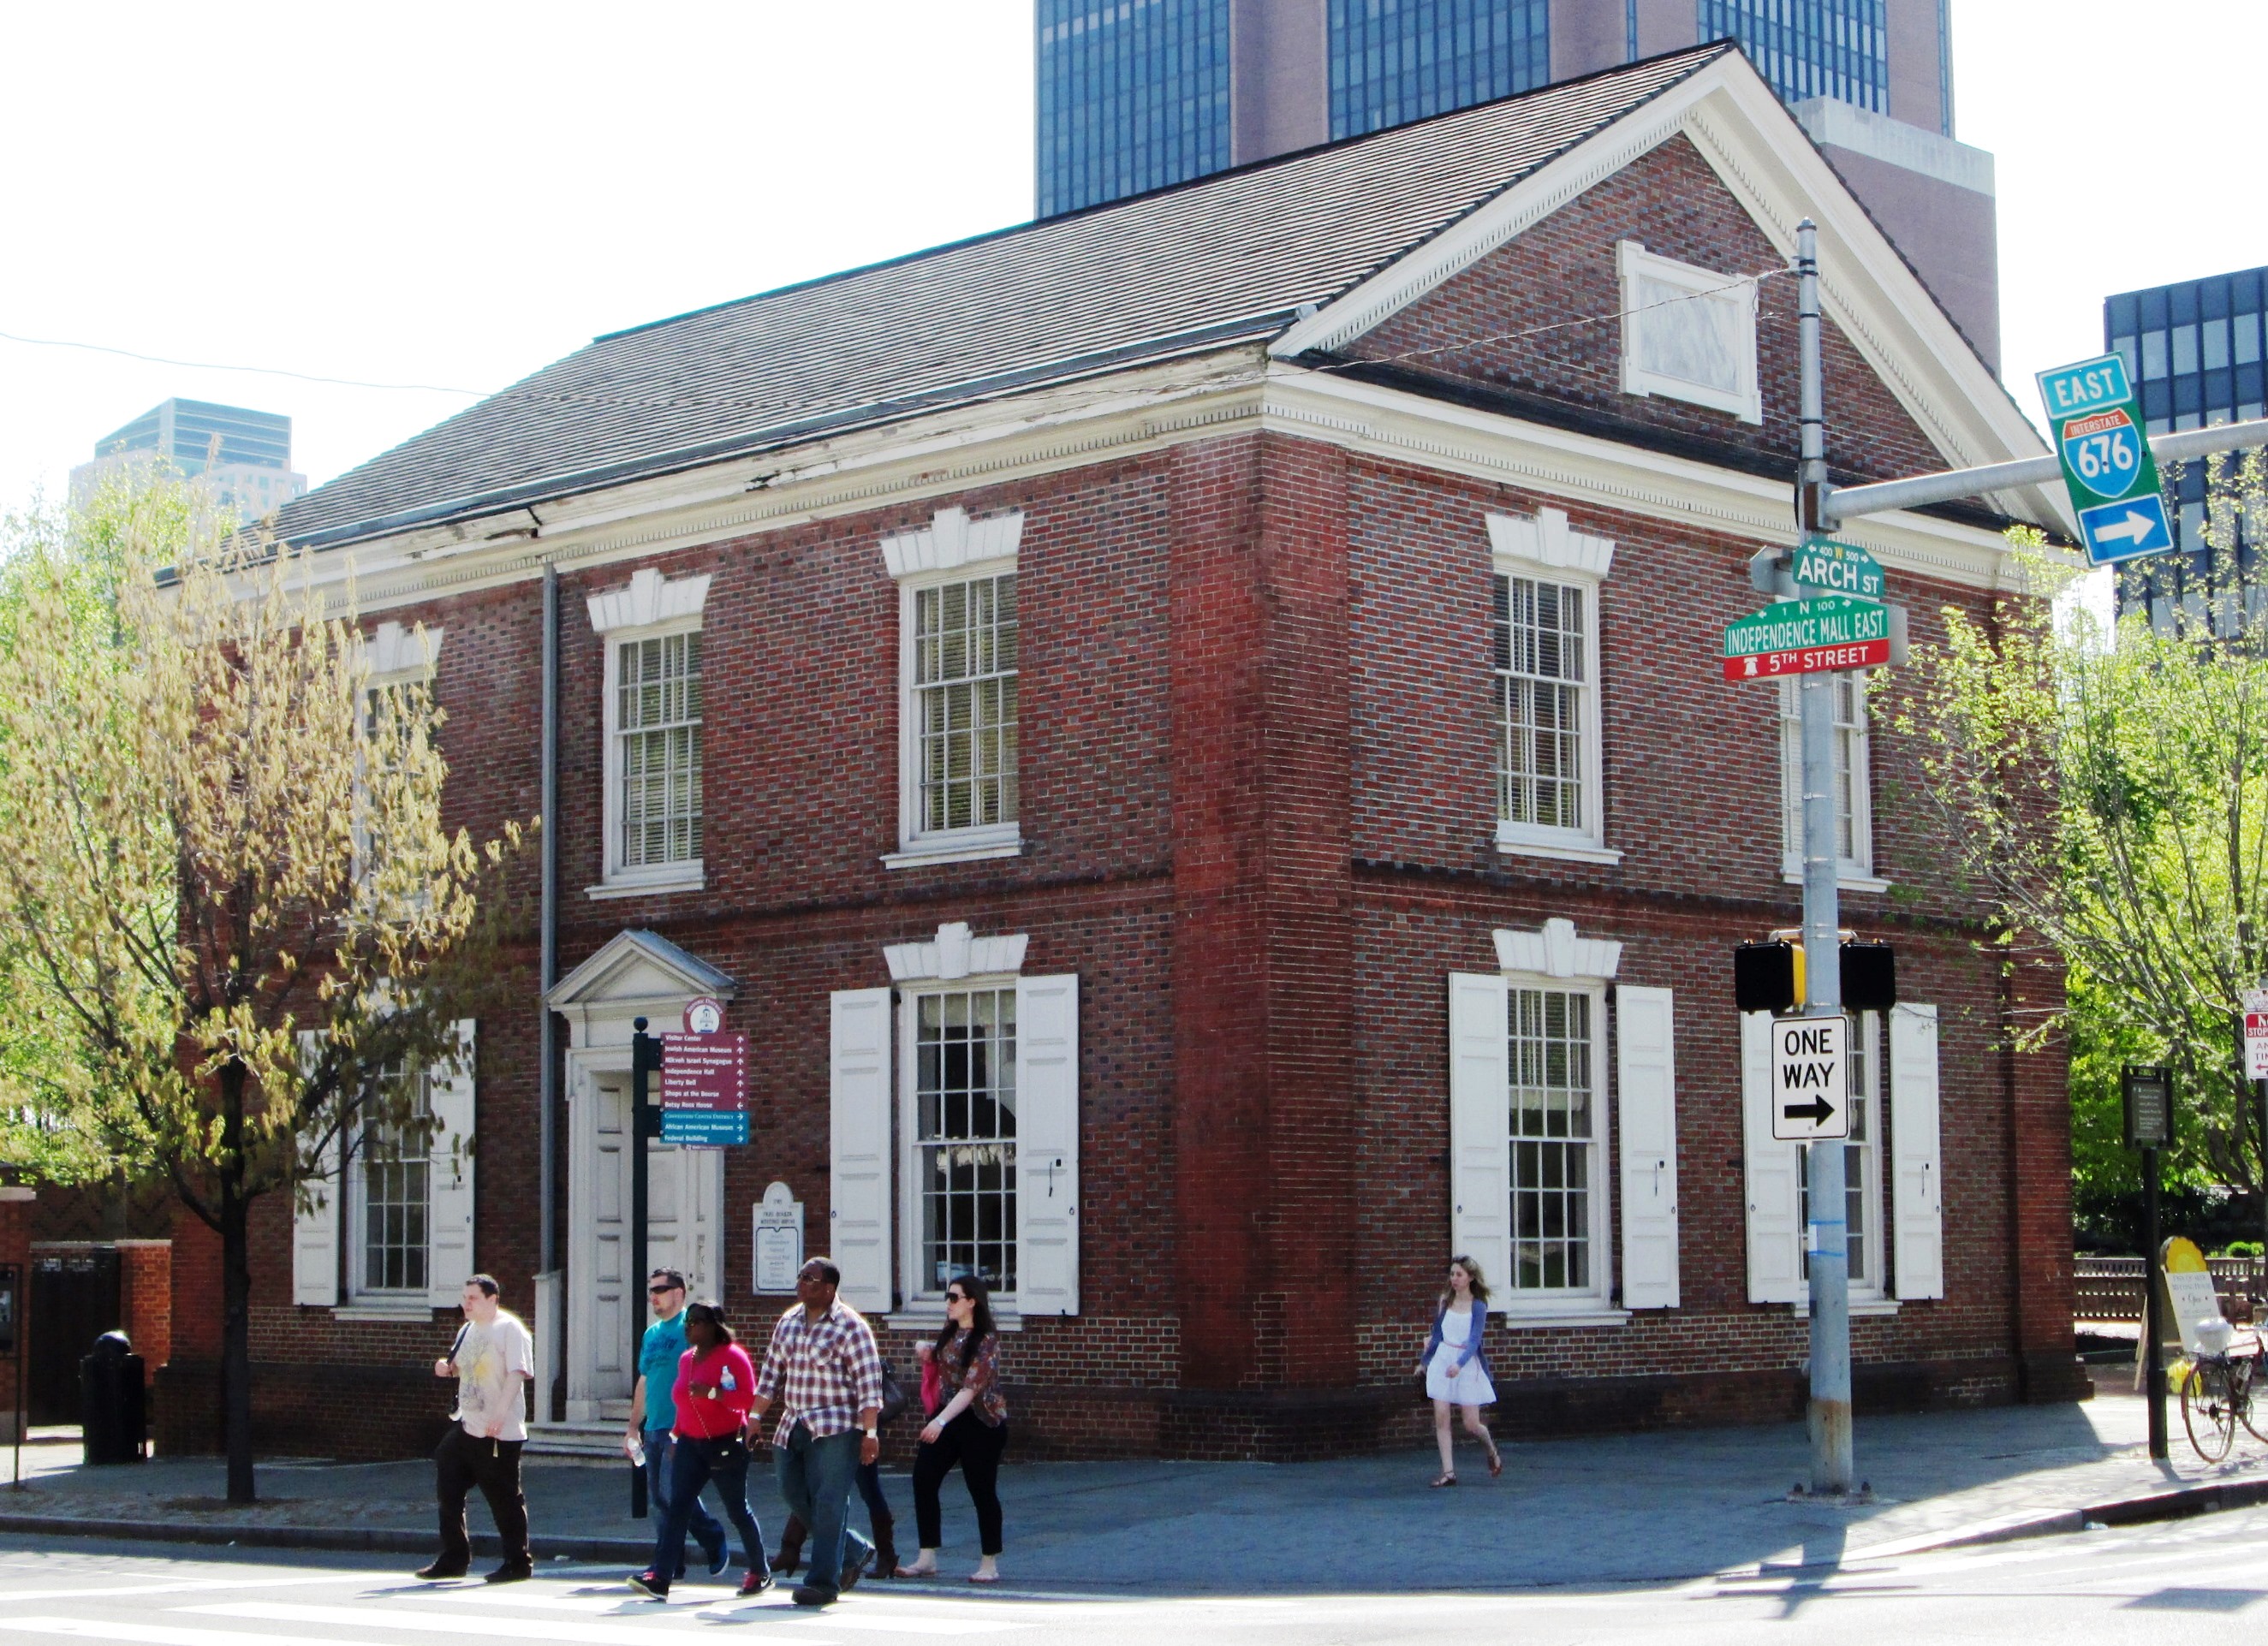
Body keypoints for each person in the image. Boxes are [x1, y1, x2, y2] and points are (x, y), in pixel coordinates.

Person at [747, 1257, 884, 1607]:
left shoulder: (851, 1327)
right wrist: (755, 1416)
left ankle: (823, 1583)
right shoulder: (789, 1322)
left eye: (810, 1278)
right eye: (800, 1277)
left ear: (829, 1288)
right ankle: (854, 1548)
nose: (801, 1283)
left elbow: (869, 1386)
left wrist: (869, 1433)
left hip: (837, 1428)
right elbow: (771, 1373)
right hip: (793, 1423)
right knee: (791, 1492)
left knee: (829, 1502)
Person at [627, 1301, 773, 1599]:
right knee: (677, 1507)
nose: (688, 1326)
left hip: (725, 1443)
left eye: (695, 1322)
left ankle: (760, 1572)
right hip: (690, 1445)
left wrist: (713, 1393)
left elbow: (747, 1400)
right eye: (687, 1322)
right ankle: (661, 1577)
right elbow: (683, 1401)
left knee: (737, 1510)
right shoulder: (686, 1359)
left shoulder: (733, 1357)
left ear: (713, 1326)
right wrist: (677, 1435)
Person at [418, 1274, 535, 1582]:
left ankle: (518, 1562)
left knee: (504, 1498)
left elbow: (517, 1373)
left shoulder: (510, 1329)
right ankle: (454, 1557)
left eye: (473, 1298)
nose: (465, 1303)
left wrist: (500, 1414)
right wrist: (446, 1366)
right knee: (448, 1488)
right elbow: (460, 1365)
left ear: (492, 1299)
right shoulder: (468, 1330)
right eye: (464, 1297)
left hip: (499, 1431)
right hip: (467, 1424)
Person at [895, 1274, 1008, 1584]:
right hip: (950, 1416)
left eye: (954, 1298)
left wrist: (939, 1421)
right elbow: (947, 1361)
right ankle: (927, 1557)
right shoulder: (951, 1333)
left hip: (982, 1421)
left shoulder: (987, 1342)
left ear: (972, 1302)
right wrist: (928, 1350)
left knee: (981, 1489)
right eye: (947, 1297)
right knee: (924, 1478)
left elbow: (970, 1389)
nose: (948, 1303)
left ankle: (989, 1563)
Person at [625, 1268, 728, 1581]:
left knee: (675, 1494)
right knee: (659, 1499)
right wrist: (633, 1428)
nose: (654, 1296)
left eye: (661, 1289)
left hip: (682, 1427)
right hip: (654, 1426)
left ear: (679, 1293)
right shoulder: (651, 1334)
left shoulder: (691, 1328)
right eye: (651, 1290)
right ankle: (672, 1563)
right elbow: (645, 1380)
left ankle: (709, 1539)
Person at [1415, 1255, 1501, 1488]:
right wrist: (1424, 1362)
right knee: (1441, 1417)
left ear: (1470, 1278)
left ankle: (1491, 1450)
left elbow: (1474, 1341)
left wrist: (1459, 1364)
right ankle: (1448, 1472)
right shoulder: (1445, 1301)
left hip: (1465, 1362)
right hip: (1443, 1358)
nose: (1454, 1279)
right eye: (1452, 1274)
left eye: (1459, 1274)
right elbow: (1437, 1334)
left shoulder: (1478, 1306)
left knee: (1471, 1424)